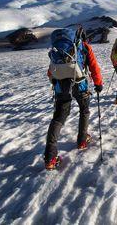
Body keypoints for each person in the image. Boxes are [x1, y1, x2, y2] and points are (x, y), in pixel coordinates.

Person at [44, 27, 103, 170]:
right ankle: (82, 140)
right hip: (79, 83)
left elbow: (51, 70)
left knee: (58, 117)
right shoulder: (83, 46)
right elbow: (94, 66)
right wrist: (98, 83)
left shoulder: (57, 47)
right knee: (84, 110)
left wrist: (55, 81)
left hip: (60, 86)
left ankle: (50, 157)